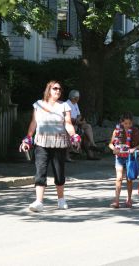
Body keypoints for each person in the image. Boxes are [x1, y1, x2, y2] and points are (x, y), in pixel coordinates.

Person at [19, 80, 81, 212]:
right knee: (40, 172)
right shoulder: (38, 104)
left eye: (59, 89)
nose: (58, 91)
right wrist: (28, 138)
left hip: (59, 144)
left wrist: (74, 136)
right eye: (55, 88)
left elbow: (68, 123)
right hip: (41, 143)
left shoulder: (64, 106)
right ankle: (39, 202)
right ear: (49, 90)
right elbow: (33, 123)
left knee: (59, 174)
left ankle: (61, 200)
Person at [108, 111, 139, 208]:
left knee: (129, 179)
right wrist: (114, 149)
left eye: (129, 123)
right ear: (121, 122)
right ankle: (117, 200)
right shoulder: (117, 131)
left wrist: (133, 149)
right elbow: (111, 143)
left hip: (130, 158)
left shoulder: (135, 131)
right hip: (119, 157)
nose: (127, 125)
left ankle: (129, 199)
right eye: (125, 123)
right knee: (119, 178)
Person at [66, 90, 99, 160]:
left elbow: (79, 115)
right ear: (73, 97)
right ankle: (71, 153)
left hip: (76, 123)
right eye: (77, 97)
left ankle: (93, 144)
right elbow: (67, 118)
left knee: (88, 127)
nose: (78, 99)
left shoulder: (75, 104)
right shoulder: (66, 104)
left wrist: (79, 120)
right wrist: (77, 121)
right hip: (70, 124)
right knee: (79, 131)